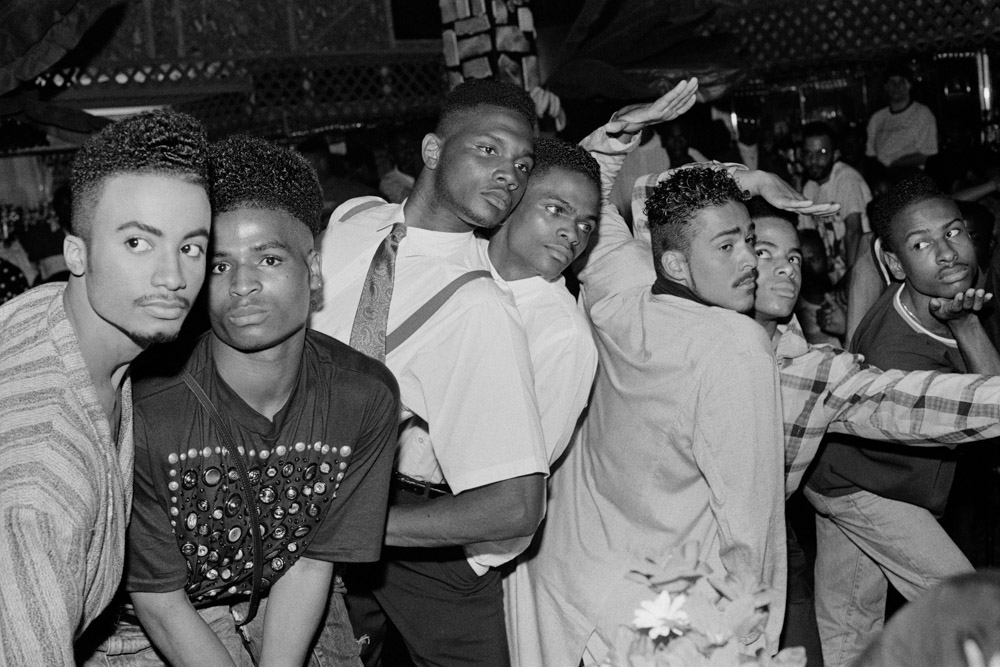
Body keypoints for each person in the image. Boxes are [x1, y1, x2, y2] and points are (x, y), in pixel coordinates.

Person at [83, 136, 400, 667]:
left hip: (289, 591)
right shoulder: (149, 405)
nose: (243, 285)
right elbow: (160, 602)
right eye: (218, 265)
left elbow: (309, 564)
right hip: (146, 620)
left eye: (269, 258)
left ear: (314, 270)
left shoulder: (363, 396)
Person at [520, 159, 800, 666]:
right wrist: (755, 643)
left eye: (749, 241)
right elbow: (751, 523)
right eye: (726, 246)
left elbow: (588, 197)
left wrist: (611, 141)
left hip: (559, 580)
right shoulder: (736, 347)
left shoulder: (621, 295)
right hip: (649, 617)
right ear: (673, 265)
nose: (750, 262)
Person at [310, 78, 549, 666]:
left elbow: (517, 504)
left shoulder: (480, 307)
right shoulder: (355, 216)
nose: (509, 175)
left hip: (356, 518)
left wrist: (357, 526)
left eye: (522, 165)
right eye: (489, 150)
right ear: (432, 151)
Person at [0, 110, 212, 665]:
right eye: (139, 243)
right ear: (77, 253)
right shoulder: (43, 478)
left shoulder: (63, 318)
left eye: (191, 247)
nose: (173, 276)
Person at [805, 174, 1000, 667]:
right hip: (865, 488)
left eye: (954, 232)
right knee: (966, 608)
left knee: (850, 628)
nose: (947, 252)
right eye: (921, 244)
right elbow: (994, 409)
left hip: (840, 475)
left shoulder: (936, 289)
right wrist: (968, 325)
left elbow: (866, 258)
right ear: (896, 263)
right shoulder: (898, 350)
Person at [799, 121, 873, 282]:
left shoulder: (846, 179)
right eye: (808, 153)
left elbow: (854, 232)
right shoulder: (809, 188)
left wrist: (851, 281)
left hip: (862, 269)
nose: (814, 160)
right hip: (833, 274)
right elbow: (807, 238)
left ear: (836, 154)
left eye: (822, 153)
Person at [866, 62, 938, 172]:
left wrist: (893, 164)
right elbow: (870, 154)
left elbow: (927, 155)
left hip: (911, 175)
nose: (896, 87)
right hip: (881, 176)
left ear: (909, 85)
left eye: (901, 82)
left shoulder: (922, 114)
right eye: (892, 82)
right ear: (885, 87)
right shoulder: (877, 118)